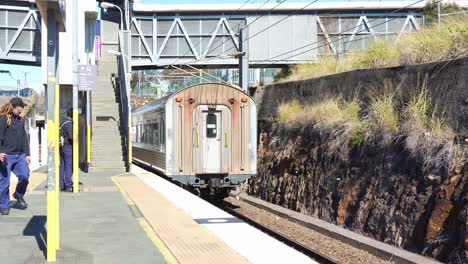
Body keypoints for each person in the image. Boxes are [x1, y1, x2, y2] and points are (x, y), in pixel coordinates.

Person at [0, 98, 31, 215]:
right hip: (6, 156)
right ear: (17, 107)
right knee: (5, 181)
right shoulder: (4, 119)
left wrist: (27, 154)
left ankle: (18, 194)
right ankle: (3, 204)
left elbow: (24, 138)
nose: (23, 109)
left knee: (25, 176)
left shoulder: (20, 120)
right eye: (22, 107)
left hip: (19, 156)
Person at [59, 108, 73, 192]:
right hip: (68, 147)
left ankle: (61, 184)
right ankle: (68, 185)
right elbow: (71, 136)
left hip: (61, 146)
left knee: (62, 166)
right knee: (68, 166)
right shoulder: (69, 124)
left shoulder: (61, 122)